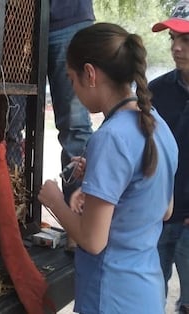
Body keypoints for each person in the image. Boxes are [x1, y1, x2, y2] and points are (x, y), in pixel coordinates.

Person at [38, 22, 178, 313]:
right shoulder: (158, 124)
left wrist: (54, 200)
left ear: (90, 74)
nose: (73, 90)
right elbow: (164, 210)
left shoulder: (111, 137)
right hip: (146, 293)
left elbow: (92, 241)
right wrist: (100, 185)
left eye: (71, 80)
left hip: (110, 296)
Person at [150, 2, 189, 312]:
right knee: (149, 296)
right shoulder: (155, 92)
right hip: (158, 217)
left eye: (186, 40)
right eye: (172, 39)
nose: (175, 48)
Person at [47, 1, 94, 251]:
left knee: (75, 125)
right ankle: (13, 215)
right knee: (10, 122)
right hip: (18, 20)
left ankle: (80, 223)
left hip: (68, 18)